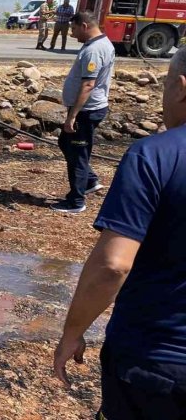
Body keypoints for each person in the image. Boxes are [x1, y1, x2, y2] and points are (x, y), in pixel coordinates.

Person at [53, 47, 186, 419]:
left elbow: (112, 264)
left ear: (180, 88)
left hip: (157, 363)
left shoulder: (155, 156)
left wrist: (72, 332)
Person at [51, 11, 115, 214]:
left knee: (78, 153)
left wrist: (72, 116)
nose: (72, 33)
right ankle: (89, 181)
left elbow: (88, 84)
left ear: (85, 26)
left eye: (74, 28)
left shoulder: (94, 50)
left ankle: (76, 201)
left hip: (86, 111)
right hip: (88, 108)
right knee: (65, 143)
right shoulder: (100, 44)